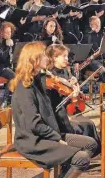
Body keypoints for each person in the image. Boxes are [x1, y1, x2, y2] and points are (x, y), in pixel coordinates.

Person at [9, 41, 97, 178]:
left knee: (91, 144)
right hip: (33, 140)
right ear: (35, 59)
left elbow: (52, 105)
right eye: (43, 55)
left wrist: (70, 90)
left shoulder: (38, 80)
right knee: (82, 158)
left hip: (48, 133)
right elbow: (34, 124)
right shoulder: (24, 88)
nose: (47, 58)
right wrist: (56, 138)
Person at [45, 44, 101, 154]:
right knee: (85, 125)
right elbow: (55, 99)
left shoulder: (65, 70)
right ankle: (79, 155)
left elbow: (70, 86)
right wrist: (72, 95)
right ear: (54, 58)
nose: (67, 59)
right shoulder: (52, 76)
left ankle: (91, 153)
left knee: (90, 124)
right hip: (60, 114)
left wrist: (75, 85)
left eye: (67, 56)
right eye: (64, 56)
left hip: (68, 110)